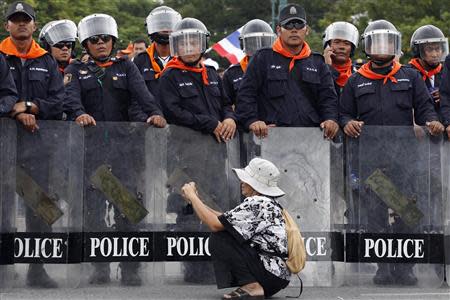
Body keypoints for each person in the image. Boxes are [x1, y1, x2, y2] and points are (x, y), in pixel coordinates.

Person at [339, 19, 444, 286]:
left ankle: (404, 267)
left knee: (408, 212)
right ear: (367, 46)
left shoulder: (409, 76)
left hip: (405, 159)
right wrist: (347, 123)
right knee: (375, 215)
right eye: (377, 42)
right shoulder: (356, 80)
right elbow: (344, 113)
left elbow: (424, 109)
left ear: (395, 45)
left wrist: (431, 122)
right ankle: (383, 266)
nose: (383, 48)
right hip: (371, 160)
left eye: (388, 42)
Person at [64, 13, 166, 286]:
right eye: (94, 40)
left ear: (113, 41)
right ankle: (99, 268)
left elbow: (143, 95)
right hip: (92, 150)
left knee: (128, 207)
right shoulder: (75, 70)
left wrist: (155, 114)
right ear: (86, 44)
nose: (101, 43)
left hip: (124, 150)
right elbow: (70, 99)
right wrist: (79, 114)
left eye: (106, 39)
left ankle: (130, 267)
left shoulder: (126, 66)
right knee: (94, 211)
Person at [0, 1, 65, 288]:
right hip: (4, 145)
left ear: (34, 25)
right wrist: (13, 111)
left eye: (26, 20)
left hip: (38, 146)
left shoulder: (47, 60)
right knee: (2, 207)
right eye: (15, 20)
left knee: (38, 208)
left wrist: (29, 107)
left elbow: (58, 102)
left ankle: (37, 269)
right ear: (7, 26)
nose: (21, 24)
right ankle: (3, 268)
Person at [181, 158, 290, 299]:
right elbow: (225, 219)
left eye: (246, 179)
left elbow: (215, 224)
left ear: (256, 185)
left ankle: (253, 286)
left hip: (269, 274)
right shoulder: (267, 203)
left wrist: (192, 196)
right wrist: (196, 200)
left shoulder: (258, 203)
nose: (242, 182)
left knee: (221, 237)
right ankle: (254, 285)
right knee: (226, 229)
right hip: (275, 277)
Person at [236, 3, 339, 139]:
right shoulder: (262, 58)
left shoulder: (318, 62)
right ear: (279, 30)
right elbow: (246, 95)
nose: (294, 30)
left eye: (299, 25)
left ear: (306, 30)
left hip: (312, 139)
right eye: (288, 25)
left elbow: (328, 98)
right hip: (272, 138)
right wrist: (252, 121)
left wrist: (331, 119)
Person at [159, 17, 236, 142]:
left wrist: (230, 118)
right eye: (183, 44)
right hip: (185, 146)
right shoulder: (169, 76)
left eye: (193, 43)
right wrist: (208, 123)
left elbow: (226, 104)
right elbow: (172, 112)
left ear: (203, 44)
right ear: (176, 47)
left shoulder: (212, 73)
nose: (189, 48)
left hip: (218, 147)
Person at [222, 19, 275, 107]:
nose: (259, 49)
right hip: (245, 119)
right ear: (243, 44)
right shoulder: (232, 73)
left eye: (264, 42)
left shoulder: (280, 68)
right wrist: (230, 118)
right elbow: (225, 105)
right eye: (253, 43)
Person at [134, 6, 181, 101]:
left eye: (169, 24)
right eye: (161, 25)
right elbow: (135, 97)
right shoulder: (140, 60)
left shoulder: (184, 58)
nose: (166, 29)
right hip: (150, 114)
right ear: (150, 28)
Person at [408, 25, 448, 113]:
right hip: (417, 124)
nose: (435, 54)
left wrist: (446, 97)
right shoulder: (407, 74)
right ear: (417, 51)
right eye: (429, 49)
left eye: (438, 49)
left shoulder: (447, 72)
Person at [322, 21, 359, 95]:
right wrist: (327, 67)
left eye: (346, 43)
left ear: (352, 49)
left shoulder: (360, 75)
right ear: (328, 45)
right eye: (337, 42)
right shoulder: (316, 71)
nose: (342, 47)